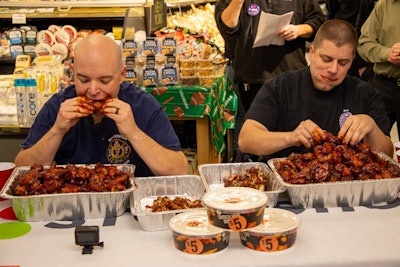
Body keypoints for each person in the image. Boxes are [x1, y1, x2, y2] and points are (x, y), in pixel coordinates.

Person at [14, 34, 188, 177]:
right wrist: (57, 131)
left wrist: (133, 133)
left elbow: (180, 170)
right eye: (83, 80)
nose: (93, 90)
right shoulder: (57, 107)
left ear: (121, 75)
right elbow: (21, 171)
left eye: (105, 81)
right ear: (73, 75)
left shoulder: (142, 105)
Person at [238, 19, 394, 161]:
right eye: (326, 59)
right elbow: (246, 140)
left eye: (343, 62)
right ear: (311, 53)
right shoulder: (280, 87)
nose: (333, 69)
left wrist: (372, 128)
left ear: (352, 61)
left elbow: (387, 154)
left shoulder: (366, 94)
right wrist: (290, 137)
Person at [215, 0, 325, 161]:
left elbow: (318, 22)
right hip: (252, 79)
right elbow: (227, 27)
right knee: (252, 144)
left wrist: (298, 30)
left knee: (296, 145)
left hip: (291, 80)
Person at [357, 0, 400, 139]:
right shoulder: (384, 5)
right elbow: (363, 43)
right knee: (372, 149)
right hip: (384, 87)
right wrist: (387, 53)